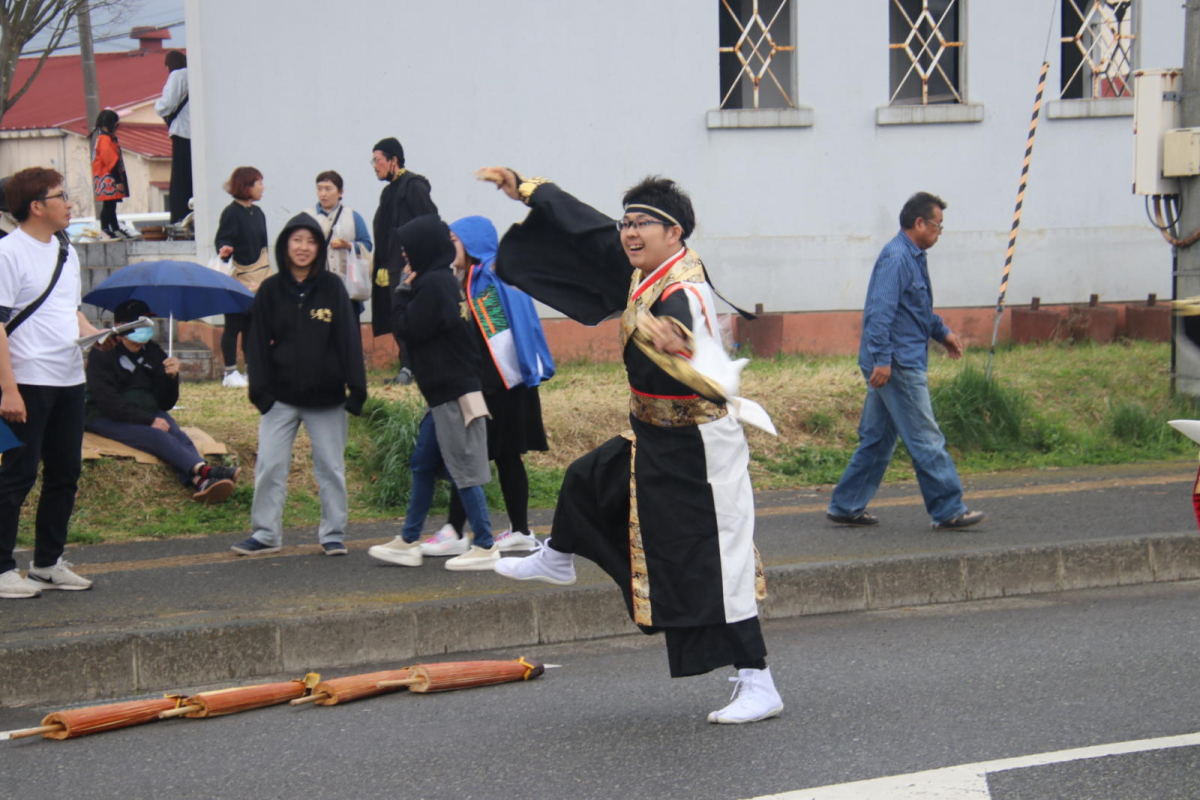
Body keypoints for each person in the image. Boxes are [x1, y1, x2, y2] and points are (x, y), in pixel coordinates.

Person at [482, 168, 784, 725]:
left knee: (716, 565)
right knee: (587, 479)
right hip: (653, 433)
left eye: (644, 223)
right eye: (628, 222)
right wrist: (528, 189)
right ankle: (557, 558)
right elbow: (587, 226)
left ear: (676, 232)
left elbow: (716, 371)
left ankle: (759, 682)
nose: (629, 232)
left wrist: (685, 350)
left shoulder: (682, 290)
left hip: (699, 449)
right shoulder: (647, 267)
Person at [826, 192, 985, 531]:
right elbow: (880, 314)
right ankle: (948, 509)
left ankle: (846, 504)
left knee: (878, 439)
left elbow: (915, 309)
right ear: (919, 223)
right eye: (938, 226)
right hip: (896, 364)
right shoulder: (898, 258)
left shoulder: (913, 256)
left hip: (895, 359)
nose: (940, 233)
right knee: (926, 437)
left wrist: (941, 332)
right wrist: (883, 360)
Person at [366, 215, 499, 572]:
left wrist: (401, 292)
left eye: (409, 251)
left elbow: (408, 328)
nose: (405, 258)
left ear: (424, 249)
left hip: (452, 393)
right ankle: (409, 540)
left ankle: (485, 544)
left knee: (464, 469)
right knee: (423, 463)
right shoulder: (443, 282)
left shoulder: (433, 285)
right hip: (448, 391)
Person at [0, 167, 109, 599]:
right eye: (61, 196)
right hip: (26, 378)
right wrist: (8, 389)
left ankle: (46, 563)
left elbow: (69, 312)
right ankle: (3, 566)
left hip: (68, 377)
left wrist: (96, 336)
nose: (69, 204)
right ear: (36, 206)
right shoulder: (9, 251)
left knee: (65, 472)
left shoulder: (67, 250)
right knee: (18, 474)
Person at [231, 214, 367, 557]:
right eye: (297, 240)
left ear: (319, 248)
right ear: (285, 245)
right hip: (280, 397)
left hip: (327, 398)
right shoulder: (272, 290)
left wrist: (357, 389)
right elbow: (257, 344)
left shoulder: (333, 288)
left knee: (331, 469)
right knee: (270, 467)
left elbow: (348, 340)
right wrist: (259, 392)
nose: (303, 248)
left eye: (310, 241)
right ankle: (265, 534)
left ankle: (333, 533)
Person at [419, 216, 554, 558]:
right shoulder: (466, 279)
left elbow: (506, 340)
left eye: (455, 239)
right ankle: (472, 529)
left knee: (488, 456)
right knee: (475, 455)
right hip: (483, 385)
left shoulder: (493, 281)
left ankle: (485, 531)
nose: (450, 246)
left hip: (503, 386)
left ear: (473, 243)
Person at [85, 299, 239, 503]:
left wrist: (171, 378)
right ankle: (207, 471)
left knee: (176, 433)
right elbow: (108, 402)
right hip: (104, 416)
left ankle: (198, 481)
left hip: (145, 411)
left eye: (148, 324)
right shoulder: (102, 352)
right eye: (140, 324)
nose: (146, 330)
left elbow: (164, 403)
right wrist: (149, 420)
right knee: (157, 437)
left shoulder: (153, 352)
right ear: (122, 327)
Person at [370, 137, 437, 385]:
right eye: (373, 161)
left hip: (409, 265)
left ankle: (411, 368)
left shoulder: (414, 186)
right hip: (388, 266)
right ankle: (407, 367)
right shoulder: (388, 192)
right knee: (396, 317)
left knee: (410, 318)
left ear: (393, 160)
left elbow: (430, 221)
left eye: (378, 160)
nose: (375, 166)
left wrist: (420, 260)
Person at [214, 166, 269, 389]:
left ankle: (250, 370)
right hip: (238, 277)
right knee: (233, 325)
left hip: (259, 276)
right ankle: (229, 372)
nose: (263, 188)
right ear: (247, 186)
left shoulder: (258, 213)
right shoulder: (231, 212)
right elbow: (222, 239)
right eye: (259, 183)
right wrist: (225, 249)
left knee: (251, 326)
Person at [308, 170, 372, 316]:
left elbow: (367, 244)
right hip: (316, 287)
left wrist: (349, 245)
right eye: (319, 188)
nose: (323, 194)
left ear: (340, 192)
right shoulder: (308, 217)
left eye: (328, 189)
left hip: (348, 288)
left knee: (348, 334)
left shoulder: (352, 216)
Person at [154, 50, 191, 224]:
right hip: (196, 133)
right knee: (192, 177)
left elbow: (167, 104)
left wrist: (157, 106)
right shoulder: (195, 74)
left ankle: (179, 216)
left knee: (180, 179)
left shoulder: (177, 75)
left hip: (183, 131)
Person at [90, 109, 129, 240]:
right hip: (108, 177)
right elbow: (111, 161)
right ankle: (105, 229)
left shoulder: (103, 139)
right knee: (108, 206)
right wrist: (118, 181)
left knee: (111, 205)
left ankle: (115, 228)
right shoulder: (105, 140)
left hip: (106, 176)